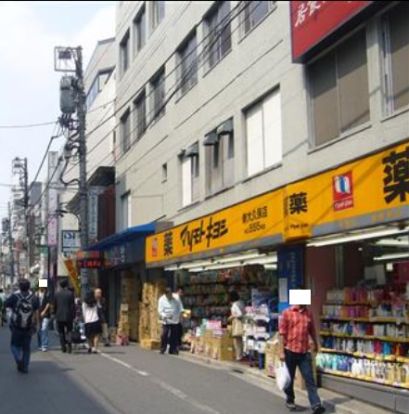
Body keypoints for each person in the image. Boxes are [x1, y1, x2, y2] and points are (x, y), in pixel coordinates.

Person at [279, 303, 325, 414]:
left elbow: (312, 330)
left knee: (309, 379)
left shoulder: (308, 314)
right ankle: (290, 399)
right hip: (289, 351)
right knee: (289, 379)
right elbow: (282, 333)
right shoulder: (287, 313)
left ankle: (316, 405)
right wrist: (281, 352)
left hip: (304, 352)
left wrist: (316, 344)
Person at [5, 278, 39, 374]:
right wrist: (36, 324)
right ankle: (25, 366)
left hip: (16, 327)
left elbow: (6, 304)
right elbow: (36, 312)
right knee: (26, 348)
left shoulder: (15, 297)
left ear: (20, 287)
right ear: (29, 287)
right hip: (28, 327)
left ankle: (19, 360)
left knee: (14, 346)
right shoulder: (34, 297)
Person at [158, 287, 182, 355]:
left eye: (171, 294)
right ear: (166, 295)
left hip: (174, 318)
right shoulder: (161, 300)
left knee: (174, 335)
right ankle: (163, 348)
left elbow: (180, 307)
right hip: (166, 319)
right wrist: (165, 316)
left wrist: (181, 314)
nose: (171, 296)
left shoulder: (176, 298)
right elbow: (160, 311)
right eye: (169, 295)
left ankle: (172, 349)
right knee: (164, 333)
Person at [53, 279, 75, 353]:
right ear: (66, 285)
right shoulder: (70, 294)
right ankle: (69, 345)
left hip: (59, 315)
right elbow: (73, 306)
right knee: (69, 330)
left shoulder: (56, 294)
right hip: (69, 315)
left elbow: (55, 306)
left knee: (61, 332)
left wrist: (54, 314)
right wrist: (73, 315)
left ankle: (63, 347)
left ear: (60, 285)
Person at [228, 291, 245, 361]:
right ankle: (241, 354)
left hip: (237, 323)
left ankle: (238, 355)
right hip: (243, 322)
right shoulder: (241, 303)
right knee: (240, 340)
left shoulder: (234, 305)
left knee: (236, 340)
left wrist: (231, 317)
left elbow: (239, 314)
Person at [37, 286, 51, 352]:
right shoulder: (36, 294)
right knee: (39, 330)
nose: (42, 288)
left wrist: (44, 311)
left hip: (45, 314)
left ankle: (44, 345)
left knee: (44, 329)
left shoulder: (47, 294)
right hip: (37, 314)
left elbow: (48, 303)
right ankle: (40, 344)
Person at [173, 286, 184, 351]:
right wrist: (182, 317)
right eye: (181, 292)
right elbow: (181, 309)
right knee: (179, 332)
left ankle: (175, 344)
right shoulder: (177, 297)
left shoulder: (172, 296)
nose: (182, 294)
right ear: (179, 291)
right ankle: (177, 345)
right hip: (176, 318)